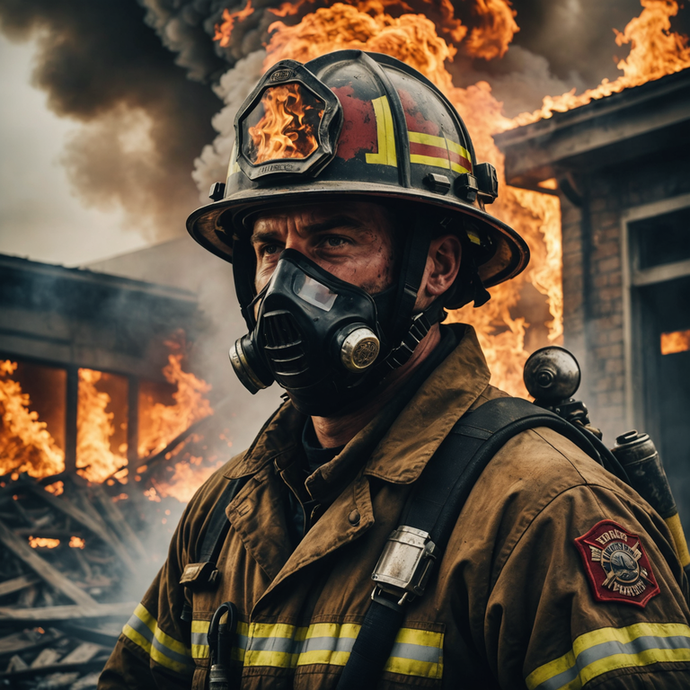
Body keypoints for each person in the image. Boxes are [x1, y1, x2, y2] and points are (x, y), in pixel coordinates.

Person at [99, 50, 690, 689]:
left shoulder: (546, 511)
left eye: (333, 241)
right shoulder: (221, 514)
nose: (283, 289)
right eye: (271, 247)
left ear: (435, 268)